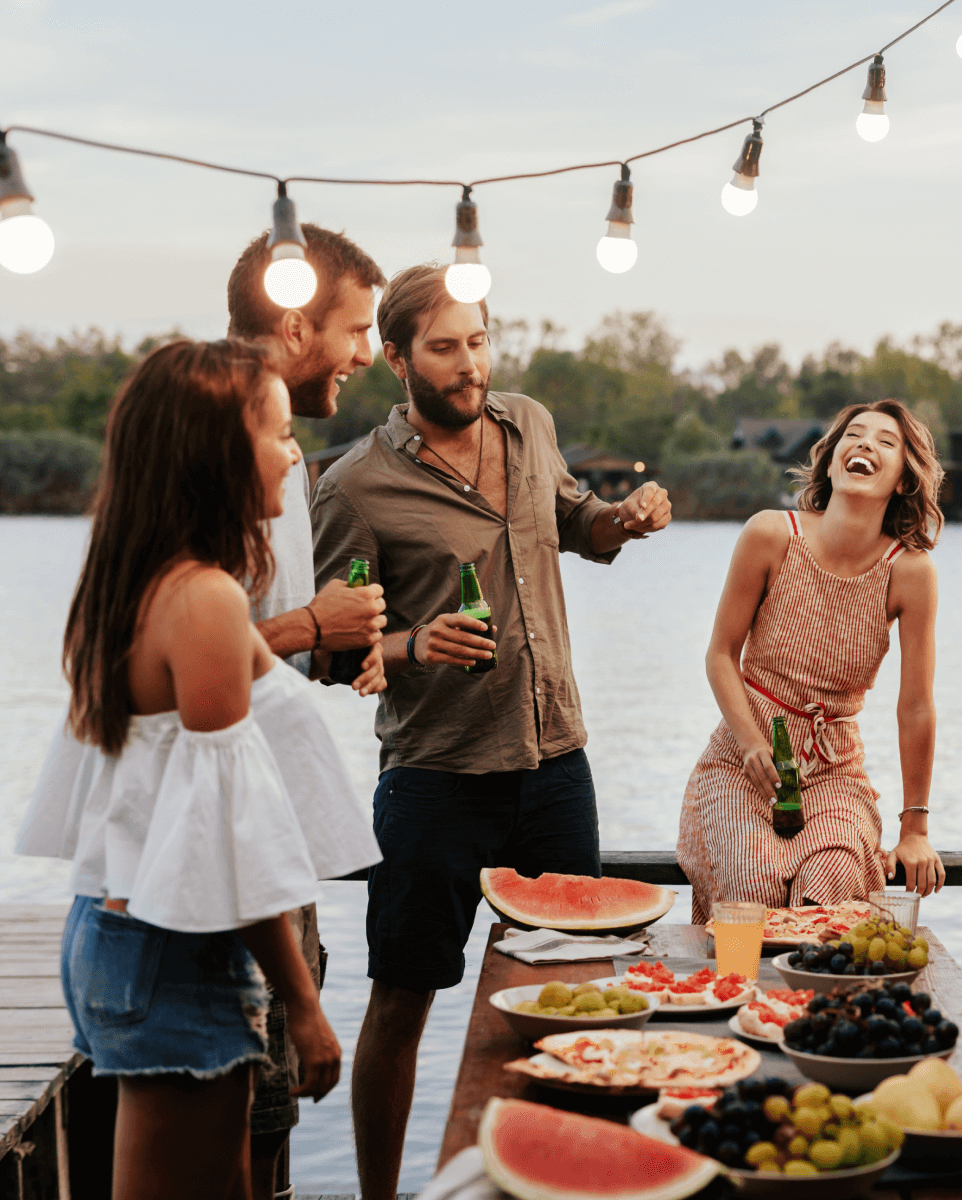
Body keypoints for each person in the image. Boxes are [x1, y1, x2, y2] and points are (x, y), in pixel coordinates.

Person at [309, 264, 672, 1200]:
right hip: (435, 778)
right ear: (395, 358)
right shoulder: (354, 486)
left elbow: (573, 523)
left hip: (556, 761)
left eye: (478, 342)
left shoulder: (529, 423)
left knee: (588, 995)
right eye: (445, 348)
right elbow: (326, 651)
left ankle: (573, 1179)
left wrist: (621, 521)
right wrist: (414, 640)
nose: (470, 367)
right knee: (401, 1000)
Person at [13, 339, 381, 1200]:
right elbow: (230, 832)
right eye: (279, 434)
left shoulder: (140, 581)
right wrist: (305, 1004)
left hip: (119, 928)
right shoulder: (205, 599)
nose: (296, 454)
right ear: (217, 451)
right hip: (174, 947)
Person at [225, 220, 389, 1200]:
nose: (371, 353)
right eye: (358, 328)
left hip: (272, 837)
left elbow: (252, 628)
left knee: (276, 1107)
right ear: (294, 325)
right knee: (248, 1107)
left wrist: (351, 648)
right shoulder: (226, 433)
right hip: (233, 848)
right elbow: (192, 629)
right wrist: (305, 627)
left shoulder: (275, 451)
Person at [677, 399, 946, 922]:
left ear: (903, 478)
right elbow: (720, 655)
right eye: (854, 435)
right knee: (748, 881)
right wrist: (753, 742)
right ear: (829, 460)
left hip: (834, 769)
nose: (866, 444)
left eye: (886, 442)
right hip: (742, 758)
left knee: (836, 880)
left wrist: (915, 829)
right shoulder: (770, 534)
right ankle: (741, 996)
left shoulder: (911, 572)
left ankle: (818, 1001)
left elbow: (915, 707)